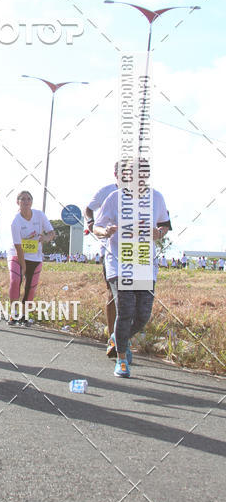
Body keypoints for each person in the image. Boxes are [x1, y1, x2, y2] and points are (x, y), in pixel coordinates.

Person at [94, 160, 170, 378]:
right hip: (119, 262)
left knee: (143, 315)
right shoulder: (115, 198)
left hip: (144, 262)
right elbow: (97, 226)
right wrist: (105, 231)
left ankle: (117, 338)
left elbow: (165, 224)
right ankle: (121, 359)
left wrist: (160, 233)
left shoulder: (156, 197)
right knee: (126, 310)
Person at [85, 163, 119, 357]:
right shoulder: (106, 192)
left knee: (136, 294)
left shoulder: (144, 194)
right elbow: (88, 209)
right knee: (113, 292)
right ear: (115, 173)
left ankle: (125, 334)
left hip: (137, 252)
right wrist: (92, 225)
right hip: (110, 248)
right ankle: (113, 337)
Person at [6, 191, 55, 325]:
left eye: (29, 199)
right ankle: (13, 313)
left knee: (31, 287)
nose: (26, 202)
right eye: (23, 199)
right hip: (17, 255)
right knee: (15, 280)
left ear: (32, 202)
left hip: (35, 257)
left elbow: (52, 233)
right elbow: (18, 246)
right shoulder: (15, 221)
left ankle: (24, 315)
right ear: (18, 202)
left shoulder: (39, 215)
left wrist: (46, 238)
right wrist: (23, 266)